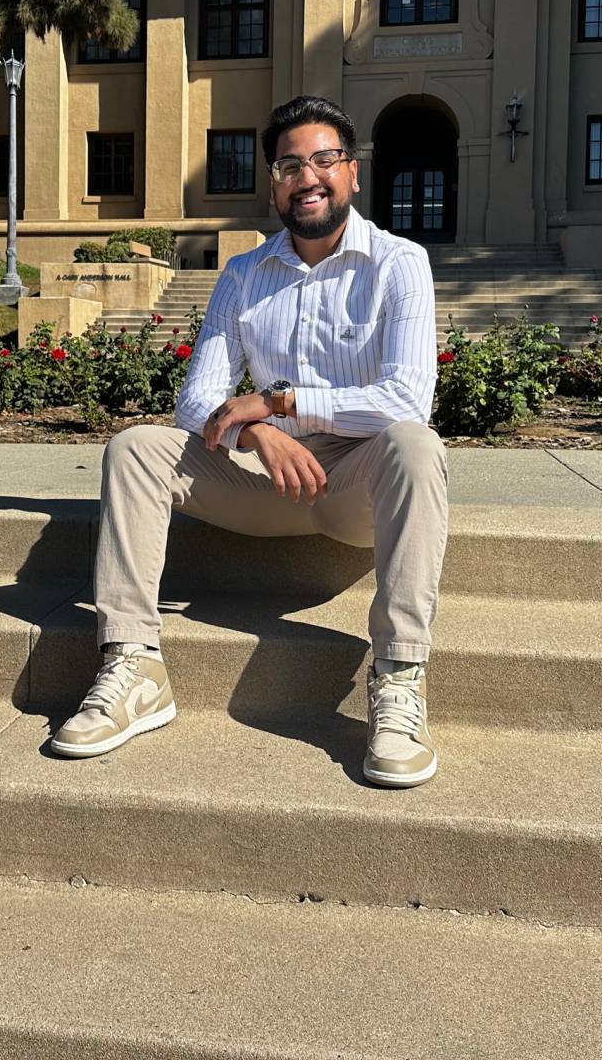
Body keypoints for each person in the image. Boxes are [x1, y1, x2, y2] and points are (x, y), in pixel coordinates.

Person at [50, 95, 449, 786]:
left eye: (325, 159)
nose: (308, 176)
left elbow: (406, 398)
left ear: (352, 174)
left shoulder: (399, 262)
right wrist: (261, 432)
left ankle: (399, 678)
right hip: (264, 483)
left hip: (357, 487)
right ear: (274, 183)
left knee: (417, 444)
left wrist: (282, 402)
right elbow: (197, 401)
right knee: (137, 448)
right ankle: (134, 665)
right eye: (290, 164)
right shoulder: (244, 274)